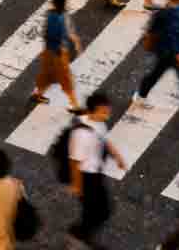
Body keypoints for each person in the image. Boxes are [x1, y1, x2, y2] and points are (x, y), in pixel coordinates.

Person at [68, 90, 127, 248]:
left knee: (101, 210)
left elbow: (104, 140)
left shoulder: (99, 124)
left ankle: (80, 234)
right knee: (97, 211)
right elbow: (74, 162)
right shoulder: (81, 134)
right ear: (94, 110)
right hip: (86, 177)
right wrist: (77, 186)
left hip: (96, 174)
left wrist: (117, 157)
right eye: (104, 111)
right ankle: (79, 237)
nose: (108, 115)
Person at [31, 0, 82, 111]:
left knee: (47, 75)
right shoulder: (59, 17)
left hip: (50, 52)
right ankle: (75, 105)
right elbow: (53, 34)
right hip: (57, 53)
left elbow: (58, 32)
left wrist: (75, 40)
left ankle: (38, 94)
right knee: (66, 79)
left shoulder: (54, 14)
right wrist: (68, 45)